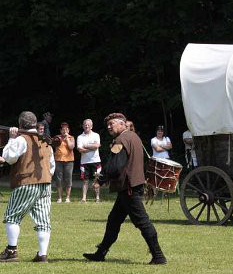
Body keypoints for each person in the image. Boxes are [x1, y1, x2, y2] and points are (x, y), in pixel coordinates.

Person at [83, 113, 166, 264]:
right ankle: (100, 253)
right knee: (113, 220)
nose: (109, 127)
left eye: (112, 123)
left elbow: (115, 166)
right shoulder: (134, 137)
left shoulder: (121, 140)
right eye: (108, 125)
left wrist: (100, 179)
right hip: (130, 187)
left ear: (122, 124)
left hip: (129, 188)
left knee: (142, 222)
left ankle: (159, 256)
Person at [0, 111, 55, 263]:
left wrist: (11, 138)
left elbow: (8, 158)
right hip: (45, 183)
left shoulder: (21, 139)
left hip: (26, 182)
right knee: (43, 221)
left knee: (12, 216)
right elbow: (51, 166)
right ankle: (42, 254)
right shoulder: (46, 140)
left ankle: (12, 250)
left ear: (21, 124)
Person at [77, 118, 102, 202]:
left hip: (95, 161)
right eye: (85, 125)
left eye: (88, 125)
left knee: (96, 180)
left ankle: (97, 198)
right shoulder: (80, 137)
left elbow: (96, 146)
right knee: (85, 181)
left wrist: (85, 146)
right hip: (84, 162)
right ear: (83, 126)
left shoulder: (96, 135)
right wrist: (92, 147)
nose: (87, 126)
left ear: (91, 126)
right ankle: (84, 198)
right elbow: (80, 149)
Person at [53, 122, 75, 203]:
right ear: (60, 130)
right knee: (59, 179)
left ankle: (67, 198)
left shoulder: (71, 137)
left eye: (66, 129)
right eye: (63, 129)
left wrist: (67, 138)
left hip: (69, 161)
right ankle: (59, 197)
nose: (64, 131)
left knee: (68, 179)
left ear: (68, 130)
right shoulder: (57, 138)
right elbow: (53, 145)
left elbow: (71, 147)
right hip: (58, 160)